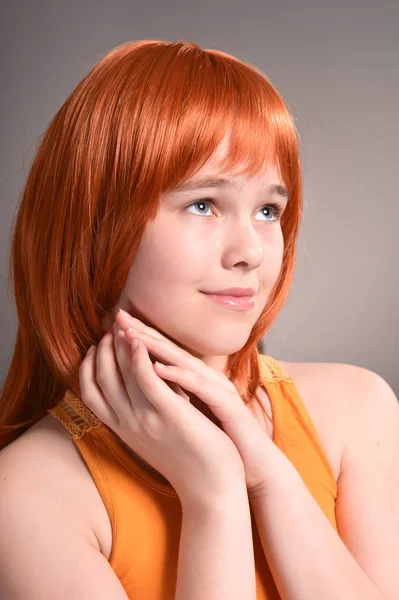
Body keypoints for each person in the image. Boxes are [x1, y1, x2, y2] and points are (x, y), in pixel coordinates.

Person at [0, 39, 397, 600]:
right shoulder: (27, 494)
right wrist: (214, 493)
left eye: (268, 210)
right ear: (97, 223)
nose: (251, 252)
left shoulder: (356, 408)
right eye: (203, 204)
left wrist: (267, 474)